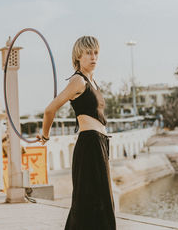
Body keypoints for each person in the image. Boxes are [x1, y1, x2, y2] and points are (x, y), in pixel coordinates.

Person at [37, 36, 117, 230]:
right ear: (78, 56)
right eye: (88, 53)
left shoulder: (93, 82)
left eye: (96, 52)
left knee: (99, 201)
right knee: (89, 201)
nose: (93, 57)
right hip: (89, 144)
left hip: (99, 144)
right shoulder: (78, 81)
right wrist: (45, 135)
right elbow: (50, 109)